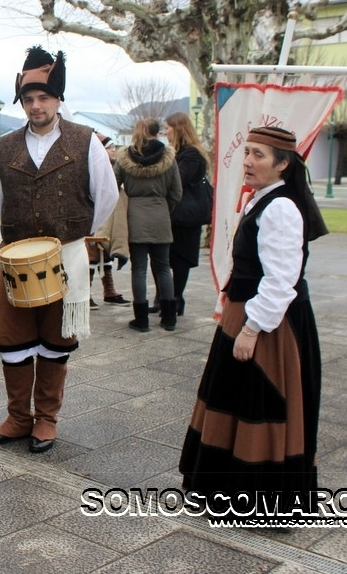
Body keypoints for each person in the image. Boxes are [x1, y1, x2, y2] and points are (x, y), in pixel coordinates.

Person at [179, 125, 327, 520]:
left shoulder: (281, 208)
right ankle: (228, 490)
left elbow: (281, 281)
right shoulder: (264, 199)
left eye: (258, 154)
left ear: (283, 164)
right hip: (245, 314)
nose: (247, 161)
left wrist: (251, 329)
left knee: (258, 403)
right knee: (234, 399)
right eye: (247, 152)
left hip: (270, 327)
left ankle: (256, 500)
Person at [0, 46, 118, 453]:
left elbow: (106, 197)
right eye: (28, 99)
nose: (36, 105)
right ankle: (17, 417)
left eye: (43, 97)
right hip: (16, 257)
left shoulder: (85, 141)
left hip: (65, 256)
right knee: (13, 341)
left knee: (57, 340)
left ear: (58, 99)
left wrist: (74, 233)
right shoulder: (5, 146)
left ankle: (46, 419)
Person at [114, 118, 181, 332]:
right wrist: (164, 208)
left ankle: (141, 320)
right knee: (163, 268)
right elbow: (177, 192)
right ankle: (169, 318)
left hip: (135, 217)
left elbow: (112, 185)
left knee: (139, 269)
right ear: (157, 132)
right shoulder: (169, 157)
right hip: (161, 215)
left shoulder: (124, 157)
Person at [163, 112, 212, 317]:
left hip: (186, 215)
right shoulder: (179, 152)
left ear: (178, 129)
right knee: (169, 258)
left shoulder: (191, 154)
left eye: (168, 128)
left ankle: (176, 299)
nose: (165, 132)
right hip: (178, 214)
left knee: (180, 260)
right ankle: (168, 299)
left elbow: (178, 180)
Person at [90, 133, 129, 308]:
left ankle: (109, 290)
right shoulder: (93, 165)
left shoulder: (114, 167)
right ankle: (86, 293)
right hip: (93, 214)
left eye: (114, 147)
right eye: (109, 148)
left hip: (109, 214)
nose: (113, 150)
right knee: (91, 255)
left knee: (105, 253)